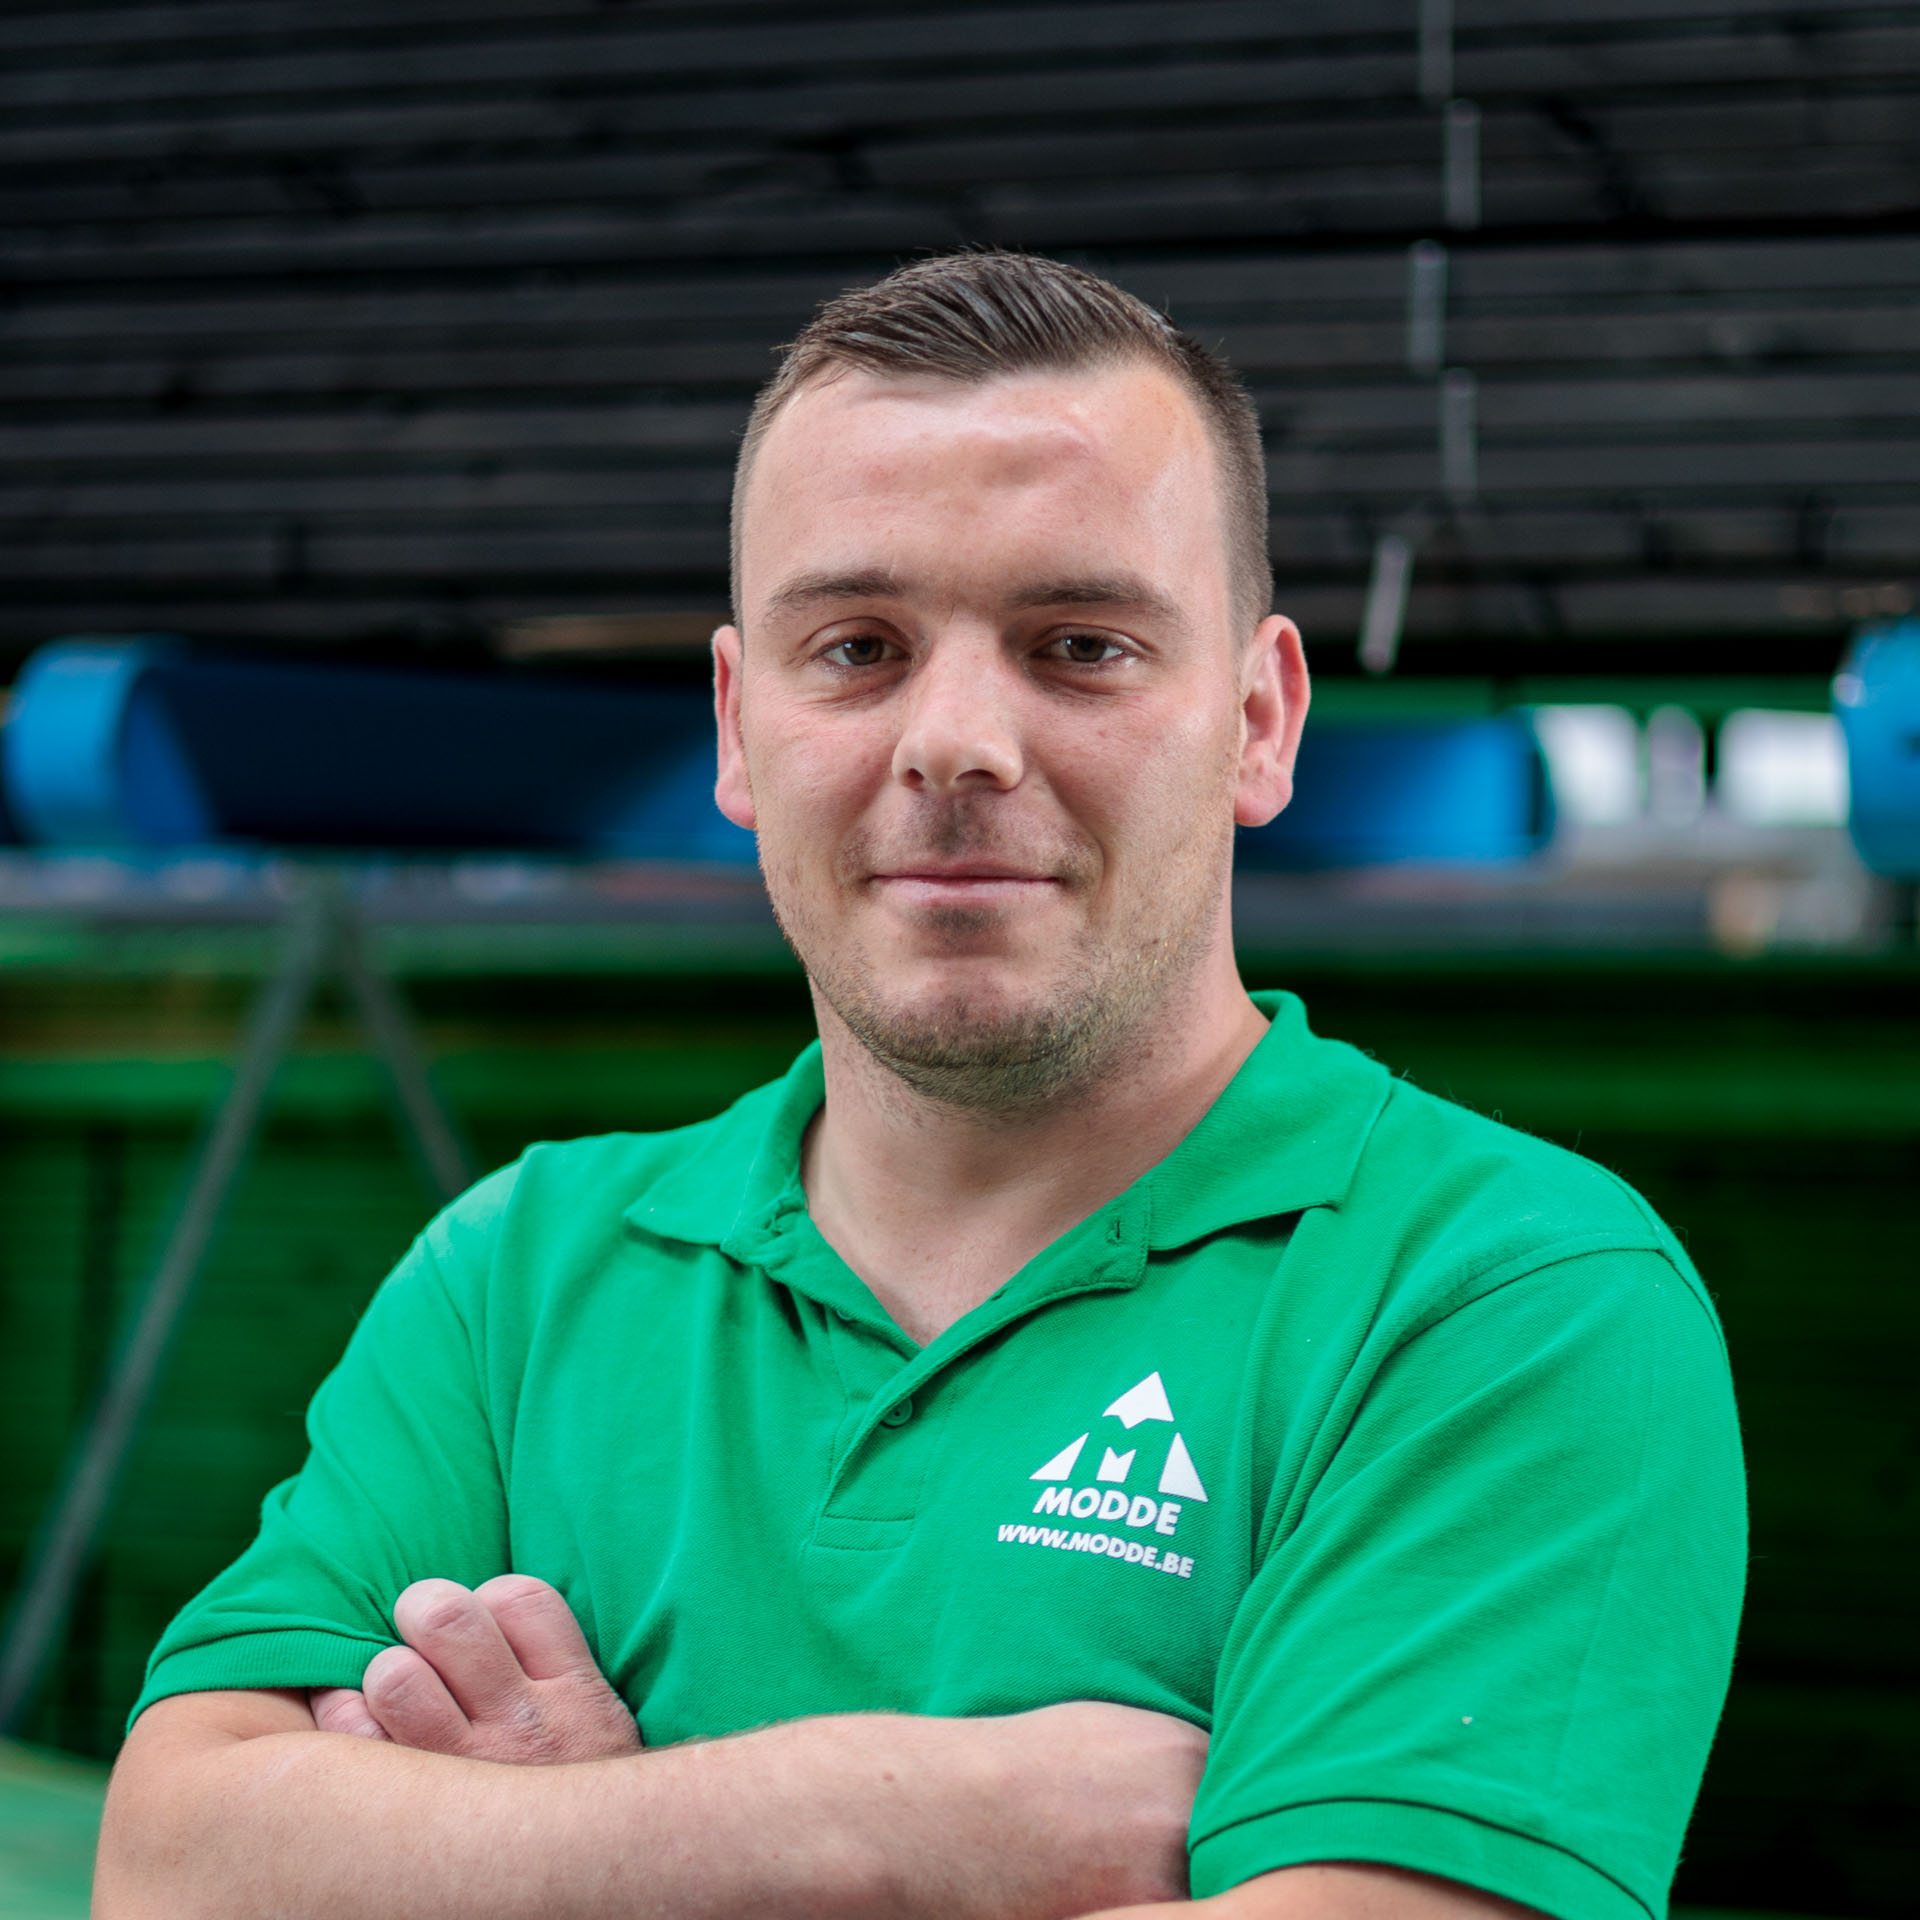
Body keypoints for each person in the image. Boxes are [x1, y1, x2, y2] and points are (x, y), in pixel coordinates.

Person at [95, 252, 1744, 1920]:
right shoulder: (518, 1276)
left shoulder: (1505, 1299)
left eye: (1080, 645)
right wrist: (886, 1827)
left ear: (1259, 719)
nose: (955, 742)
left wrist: (549, 1860)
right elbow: (171, 1871)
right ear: (739, 725)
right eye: (859, 646)